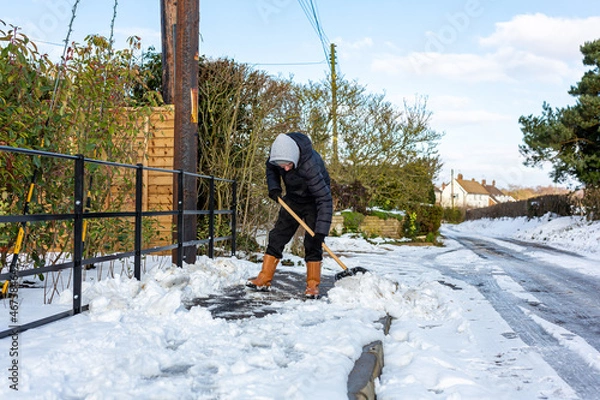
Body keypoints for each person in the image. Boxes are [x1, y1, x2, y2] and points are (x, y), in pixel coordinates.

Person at [246, 132, 332, 298]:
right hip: (292, 199)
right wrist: (274, 188)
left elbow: (325, 199)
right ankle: (264, 278)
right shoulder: (278, 157)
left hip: (314, 201)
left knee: (313, 241)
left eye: (288, 165)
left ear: (295, 157)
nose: (285, 169)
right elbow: (271, 168)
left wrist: (321, 231)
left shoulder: (310, 166)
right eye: (282, 166)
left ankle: (312, 285)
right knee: (278, 235)